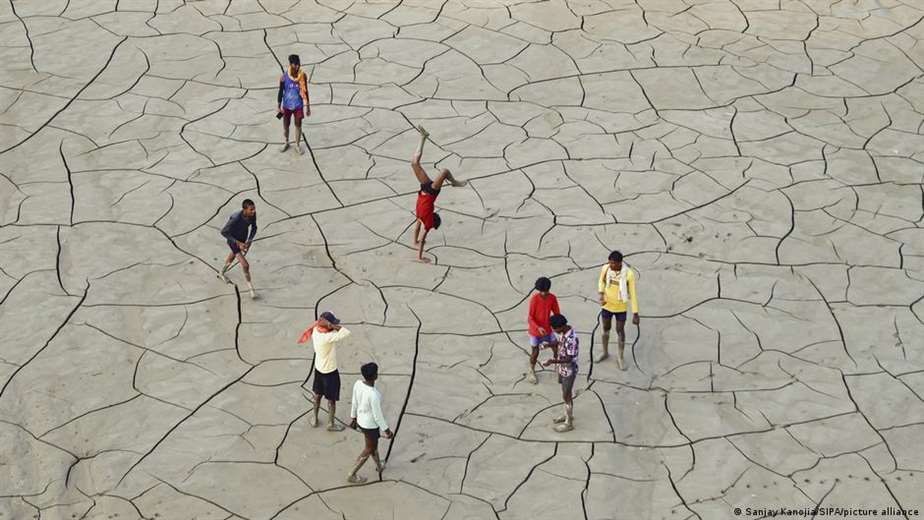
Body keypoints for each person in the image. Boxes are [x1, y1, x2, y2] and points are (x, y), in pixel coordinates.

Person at [411, 125, 466, 263]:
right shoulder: (427, 221)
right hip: (431, 192)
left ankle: (423, 138)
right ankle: (455, 182)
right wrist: (419, 253)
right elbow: (421, 233)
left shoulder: (423, 219)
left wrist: (416, 243)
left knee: (414, 163)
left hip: (424, 188)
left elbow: (418, 229)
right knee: (444, 171)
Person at [297, 311, 350, 431]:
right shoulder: (328, 337)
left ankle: (315, 419)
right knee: (331, 399)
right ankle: (330, 424)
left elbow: (319, 324)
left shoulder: (316, 330)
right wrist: (333, 326)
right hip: (330, 372)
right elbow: (346, 332)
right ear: (328, 326)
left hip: (319, 369)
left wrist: (327, 324)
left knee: (317, 394)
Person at [347, 362, 393, 484]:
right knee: (369, 448)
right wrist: (387, 431)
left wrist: (353, 417)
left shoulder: (357, 384)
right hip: (370, 425)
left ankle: (379, 465)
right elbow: (378, 416)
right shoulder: (374, 395)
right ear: (375, 376)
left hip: (361, 421)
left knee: (373, 446)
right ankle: (352, 473)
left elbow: (354, 401)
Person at [597, 250, 639, 369]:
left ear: (620, 263)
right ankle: (605, 352)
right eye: (610, 263)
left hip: (620, 307)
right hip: (607, 305)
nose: (611, 266)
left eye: (614, 264)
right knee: (605, 328)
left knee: (620, 330)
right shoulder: (605, 268)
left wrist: (635, 313)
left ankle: (620, 357)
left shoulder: (629, 274)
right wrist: (601, 294)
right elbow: (601, 281)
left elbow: (633, 294)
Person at [542, 314, 579, 432]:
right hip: (562, 368)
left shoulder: (571, 339)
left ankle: (569, 423)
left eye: (554, 329)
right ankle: (568, 414)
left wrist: (552, 361)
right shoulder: (565, 332)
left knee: (566, 395)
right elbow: (560, 343)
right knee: (565, 393)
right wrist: (548, 345)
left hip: (569, 369)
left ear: (560, 327)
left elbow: (569, 358)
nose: (553, 331)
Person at [219, 199, 257, 298]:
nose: (254, 211)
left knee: (232, 256)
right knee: (245, 265)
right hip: (233, 241)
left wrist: (249, 240)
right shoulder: (236, 218)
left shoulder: (252, 215)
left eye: (254, 209)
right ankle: (251, 289)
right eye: (251, 209)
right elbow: (223, 232)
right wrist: (238, 243)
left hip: (243, 239)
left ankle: (221, 272)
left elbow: (254, 227)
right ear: (244, 210)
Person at [526, 277, 560, 385]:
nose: (544, 293)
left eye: (546, 291)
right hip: (535, 331)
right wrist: (538, 328)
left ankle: (557, 366)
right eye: (542, 291)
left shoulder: (552, 298)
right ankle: (531, 370)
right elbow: (530, 318)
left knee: (556, 347)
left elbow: (557, 313)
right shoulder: (534, 299)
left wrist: (558, 326)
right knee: (535, 352)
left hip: (548, 329)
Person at [277, 54, 310, 154]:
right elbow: (280, 91)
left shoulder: (302, 76)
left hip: (298, 105)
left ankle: (297, 145)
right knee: (286, 125)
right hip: (286, 105)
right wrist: (278, 106)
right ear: (290, 64)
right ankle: (286, 142)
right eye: (295, 65)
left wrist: (308, 106)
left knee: (298, 125)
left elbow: (306, 91)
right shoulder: (284, 77)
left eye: (298, 64)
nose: (297, 66)